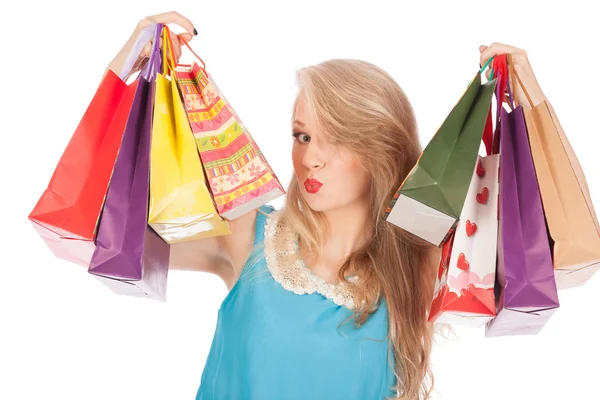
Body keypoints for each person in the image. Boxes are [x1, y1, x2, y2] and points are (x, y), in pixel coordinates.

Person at [105, 11, 561, 400]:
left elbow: (547, 252)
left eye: (336, 138)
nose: (310, 157)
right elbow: (104, 239)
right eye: (302, 135)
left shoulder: (420, 264)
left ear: (381, 150)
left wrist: (530, 103)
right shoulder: (249, 238)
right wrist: (129, 72)